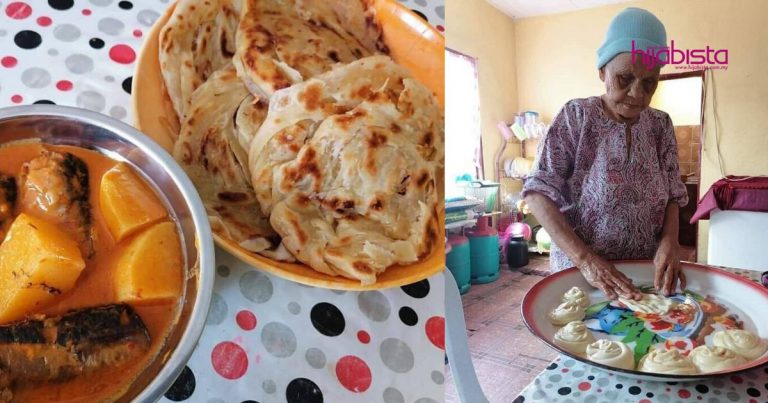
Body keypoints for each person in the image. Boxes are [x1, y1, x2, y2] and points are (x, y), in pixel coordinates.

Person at [521, 7, 688, 301]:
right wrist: (586, 261)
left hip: (643, 275)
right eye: (625, 78)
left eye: (649, 82)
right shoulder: (577, 116)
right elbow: (537, 193)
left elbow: (674, 193)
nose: (637, 93)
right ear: (602, 71)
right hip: (583, 275)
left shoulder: (660, 124)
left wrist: (670, 240)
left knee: (646, 342)